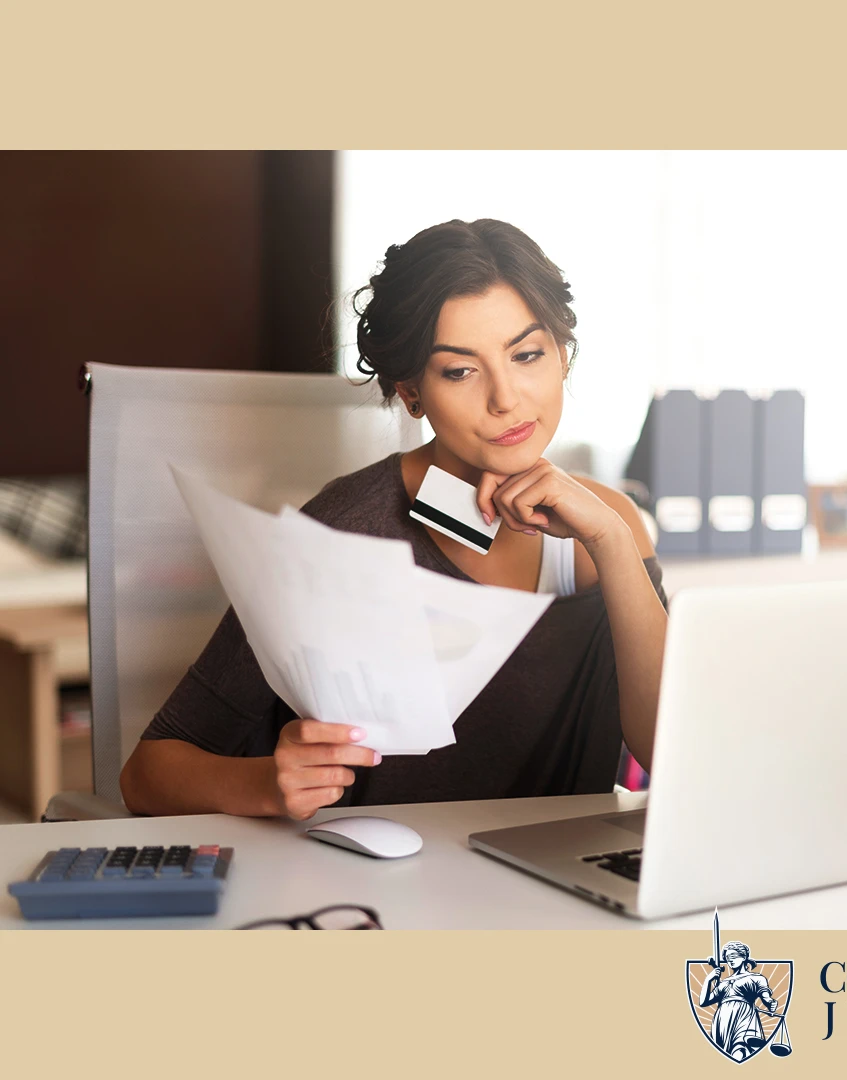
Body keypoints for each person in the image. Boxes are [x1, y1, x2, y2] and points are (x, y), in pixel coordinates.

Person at [119, 218, 669, 820]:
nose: (506, 397)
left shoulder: (606, 524)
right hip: (381, 894)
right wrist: (266, 785)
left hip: (559, 890)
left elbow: (665, 751)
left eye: (528, 355)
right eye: (459, 371)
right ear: (411, 393)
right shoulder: (345, 528)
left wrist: (612, 540)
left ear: (563, 357)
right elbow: (148, 774)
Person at [698, 942, 780, 1061]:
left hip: (744, 1015)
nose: (730, 961)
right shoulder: (724, 983)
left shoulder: (756, 978)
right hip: (722, 1018)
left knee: (741, 1047)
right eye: (727, 958)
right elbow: (703, 1002)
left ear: (744, 957)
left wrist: (770, 1003)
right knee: (724, 1052)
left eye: (733, 956)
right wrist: (708, 979)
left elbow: (765, 996)